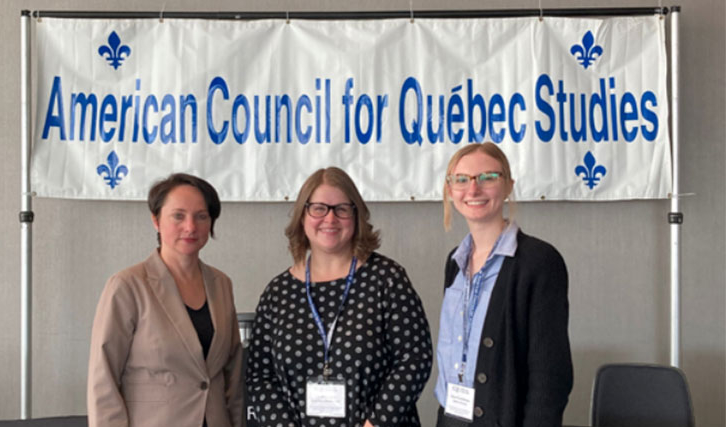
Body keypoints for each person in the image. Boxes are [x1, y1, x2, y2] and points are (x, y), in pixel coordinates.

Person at [246, 167, 433, 427]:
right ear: (302, 216)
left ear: (356, 216)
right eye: (319, 208)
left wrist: (375, 424)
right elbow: (260, 376)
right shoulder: (278, 292)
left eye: (342, 209)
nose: (330, 218)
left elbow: (414, 359)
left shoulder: (387, 279)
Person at [87, 173, 243, 427]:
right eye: (178, 216)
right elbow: (103, 379)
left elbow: (232, 375)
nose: (190, 226)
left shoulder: (221, 284)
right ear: (156, 220)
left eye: (201, 216)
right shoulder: (128, 285)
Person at [434, 143, 573, 427]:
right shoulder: (455, 262)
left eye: (487, 178)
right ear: (450, 190)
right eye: (462, 179)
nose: (473, 190)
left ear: (508, 185)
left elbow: (550, 375)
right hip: (453, 418)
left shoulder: (538, 261)